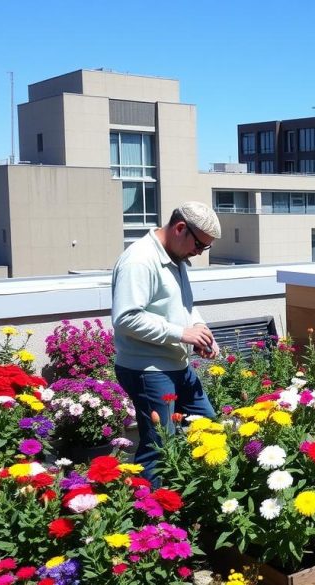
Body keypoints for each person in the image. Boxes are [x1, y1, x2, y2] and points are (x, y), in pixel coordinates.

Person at [112, 201, 222, 483]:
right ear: (180, 228)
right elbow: (126, 318)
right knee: (158, 447)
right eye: (199, 245)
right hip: (148, 370)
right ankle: (151, 520)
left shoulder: (176, 257)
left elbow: (184, 306)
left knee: (207, 425)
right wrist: (181, 333)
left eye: (204, 248)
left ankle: (194, 495)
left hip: (176, 364)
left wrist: (199, 329)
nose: (198, 253)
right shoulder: (139, 260)